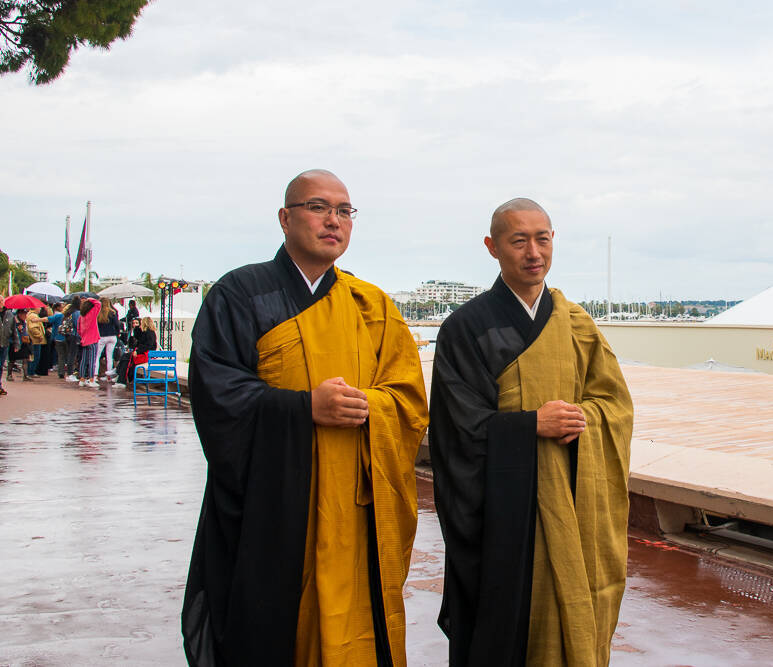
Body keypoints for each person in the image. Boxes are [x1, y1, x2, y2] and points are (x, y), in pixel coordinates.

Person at [182, 169, 429, 666]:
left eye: (344, 211)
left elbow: (407, 401)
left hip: (352, 513)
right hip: (273, 507)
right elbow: (216, 392)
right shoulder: (240, 293)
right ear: (285, 218)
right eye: (318, 207)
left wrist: (373, 407)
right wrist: (303, 409)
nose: (333, 221)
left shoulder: (372, 306)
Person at [429, 198, 634, 666]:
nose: (533, 252)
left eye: (542, 238)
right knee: (503, 630)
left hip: (570, 498)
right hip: (505, 516)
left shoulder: (575, 323)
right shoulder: (466, 327)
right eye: (518, 240)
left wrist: (586, 420)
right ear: (492, 247)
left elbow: (615, 405)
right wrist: (529, 426)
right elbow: (454, 427)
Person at [114, 315, 157, 387]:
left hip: (146, 355)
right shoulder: (149, 332)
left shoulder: (149, 333)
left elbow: (147, 346)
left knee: (127, 358)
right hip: (146, 354)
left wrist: (138, 351)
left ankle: (120, 378)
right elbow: (139, 339)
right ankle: (119, 377)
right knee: (126, 357)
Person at [76, 297, 101, 388]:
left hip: (84, 340)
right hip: (93, 340)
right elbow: (98, 303)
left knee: (83, 360)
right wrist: (90, 299)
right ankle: (91, 379)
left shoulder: (81, 317)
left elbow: (78, 330)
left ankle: (82, 379)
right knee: (92, 360)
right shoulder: (92, 314)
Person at [94, 298, 120, 382]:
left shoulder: (98, 313)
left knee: (97, 356)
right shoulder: (112, 313)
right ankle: (109, 376)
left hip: (102, 336)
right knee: (109, 356)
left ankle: (95, 375)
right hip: (112, 336)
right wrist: (117, 332)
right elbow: (117, 324)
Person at [43, 303, 68, 378]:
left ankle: (61, 372)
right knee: (69, 356)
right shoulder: (67, 316)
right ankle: (70, 372)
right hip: (67, 338)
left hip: (57, 337)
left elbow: (47, 319)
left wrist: (36, 320)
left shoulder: (58, 316)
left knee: (61, 356)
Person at [0, 300, 16, 395]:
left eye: (2, 300)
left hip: (4, 343)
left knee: (0, 366)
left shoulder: (9, 314)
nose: (1, 302)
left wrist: (16, 343)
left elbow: (13, 329)